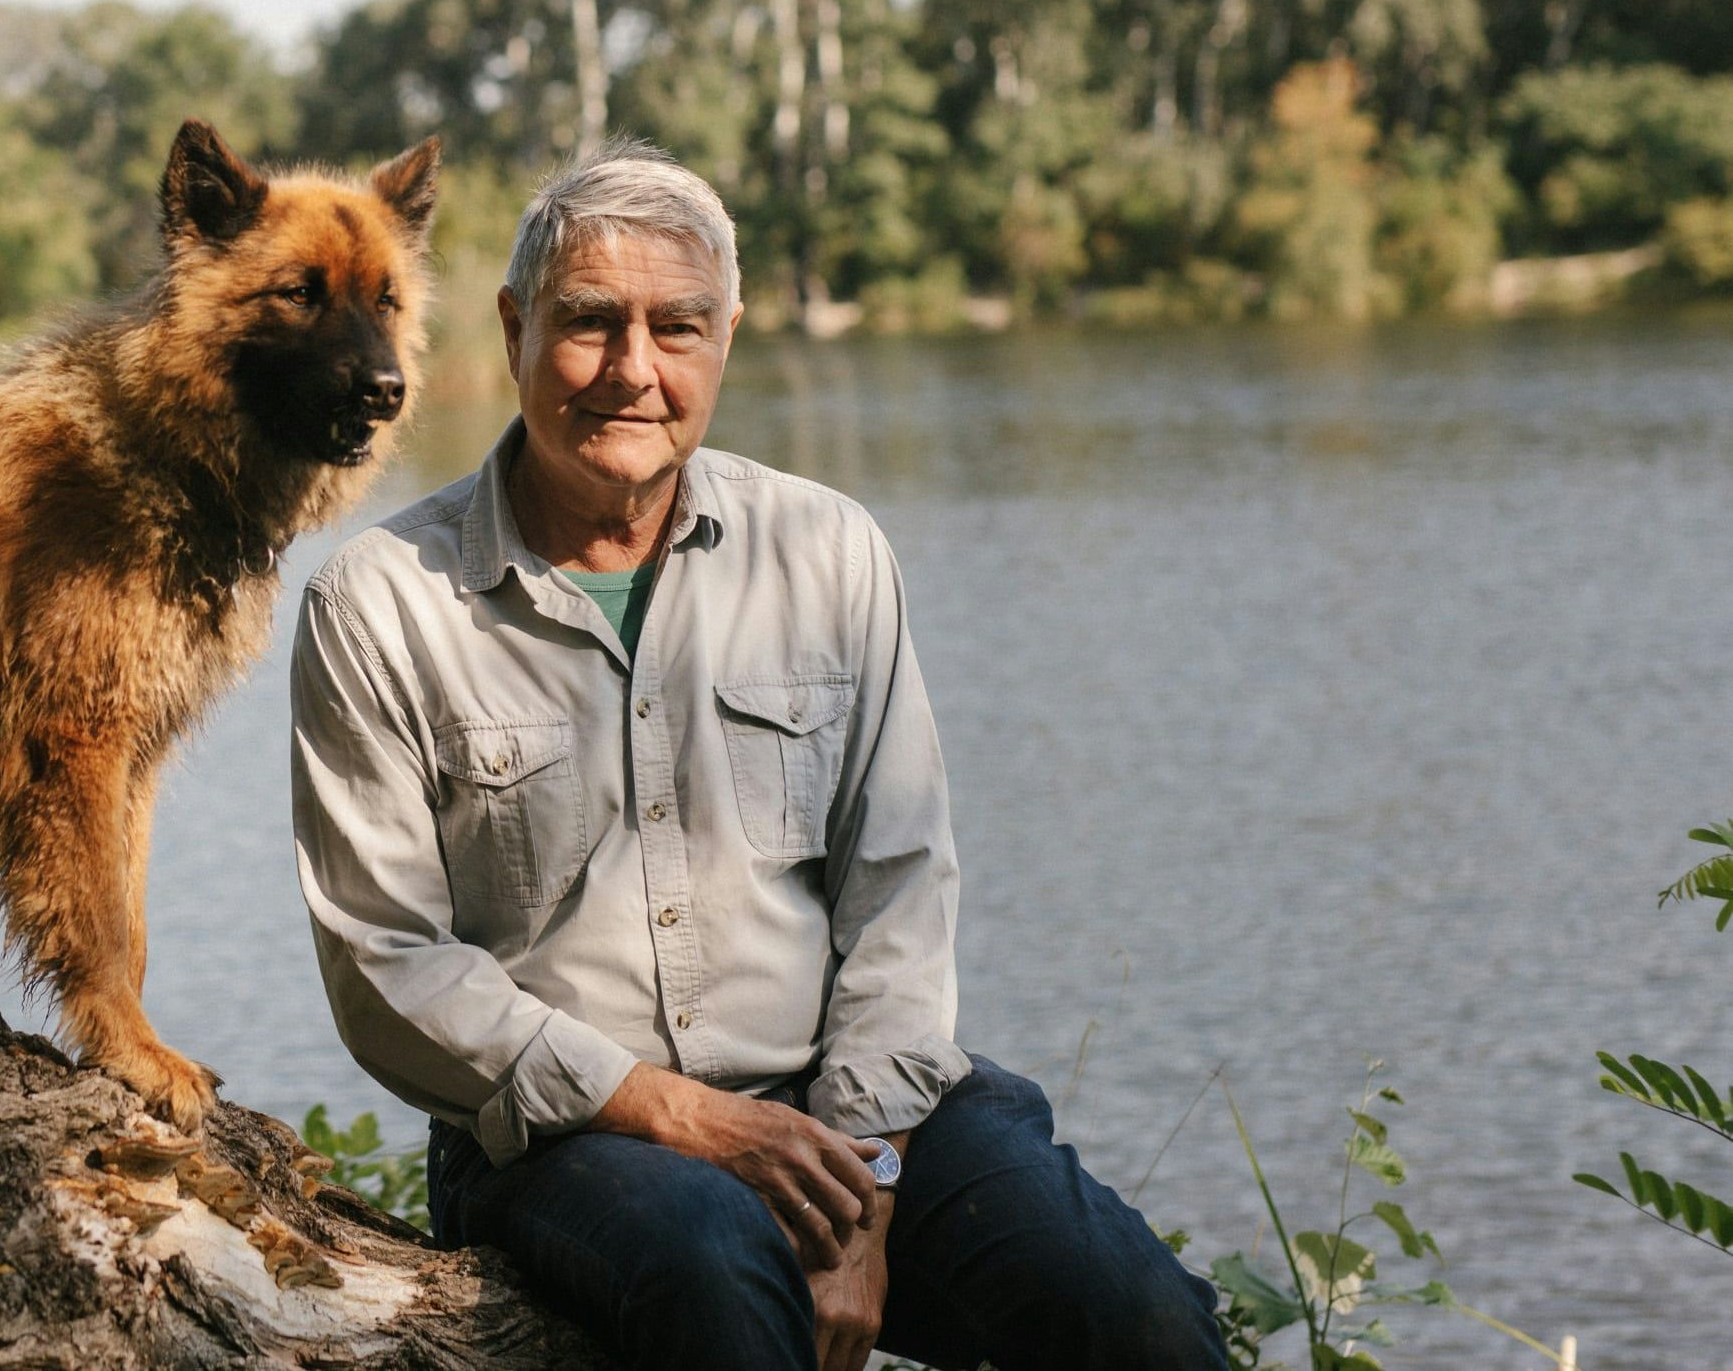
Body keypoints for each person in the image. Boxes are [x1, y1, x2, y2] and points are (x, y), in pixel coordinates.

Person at [288, 138, 1224, 1371]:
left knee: (1131, 1307)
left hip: (850, 1102)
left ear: (726, 335)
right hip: (571, 1141)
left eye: (677, 327)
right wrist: (680, 1115)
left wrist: (867, 1180)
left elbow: (900, 889)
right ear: (513, 327)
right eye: (588, 323)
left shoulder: (828, 551)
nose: (633, 370)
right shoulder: (381, 601)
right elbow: (387, 965)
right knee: (716, 1272)